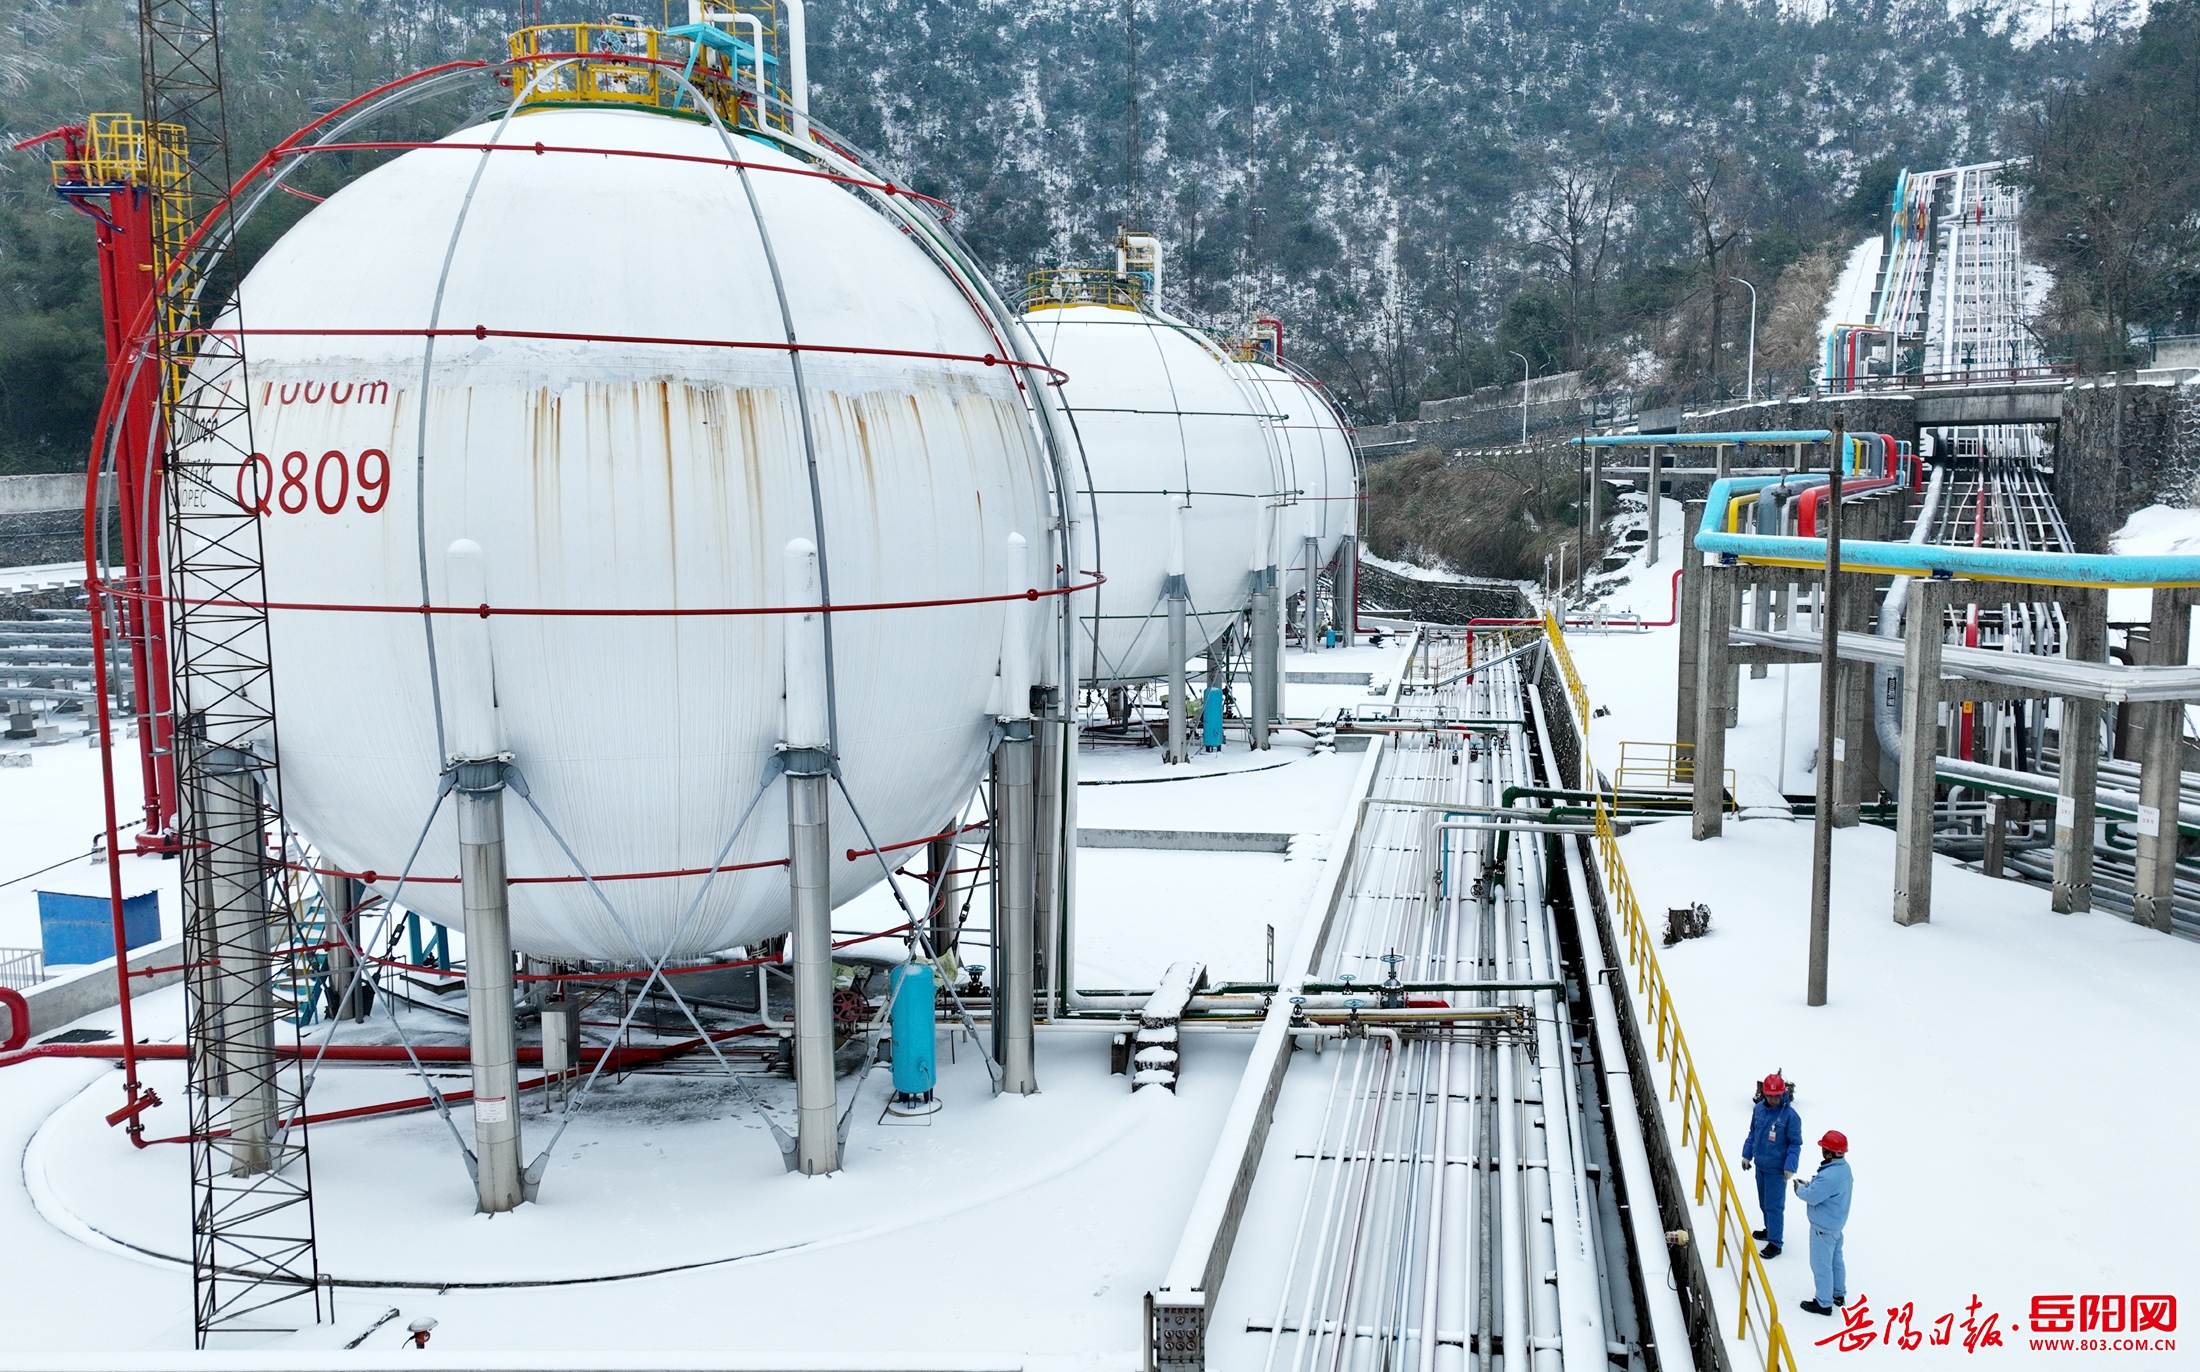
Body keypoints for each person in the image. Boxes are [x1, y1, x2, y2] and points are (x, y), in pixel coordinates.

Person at [1739, 1072, 1802, 1257]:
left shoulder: (1790, 1116)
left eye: (1776, 1095)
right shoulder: (1759, 1110)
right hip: (1761, 1165)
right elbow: (1753, 1133)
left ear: (1783, 1093)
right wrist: (1746, 1155)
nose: (1773, 1099)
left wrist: (1790, 1166)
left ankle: (1775, 1242)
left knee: (1774, 1206)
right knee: (1764, 1202)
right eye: (1770, 1095)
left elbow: (1795, 1143)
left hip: (1776, 1169)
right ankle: (1770, 1229)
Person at [1794, 1130, 1853, 1315]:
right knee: (1836, 1261)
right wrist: (1811, 1184)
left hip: (1822, 1228)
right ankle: (1838, 1294)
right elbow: (1825, 1190)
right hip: (1836, 1225)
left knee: (1821, 1265)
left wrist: (1799, 1189)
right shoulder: (1844, 1169)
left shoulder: (1829, 1176)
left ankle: (1824, 1303)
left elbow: (1812, 1197)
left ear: (1829, 1153)